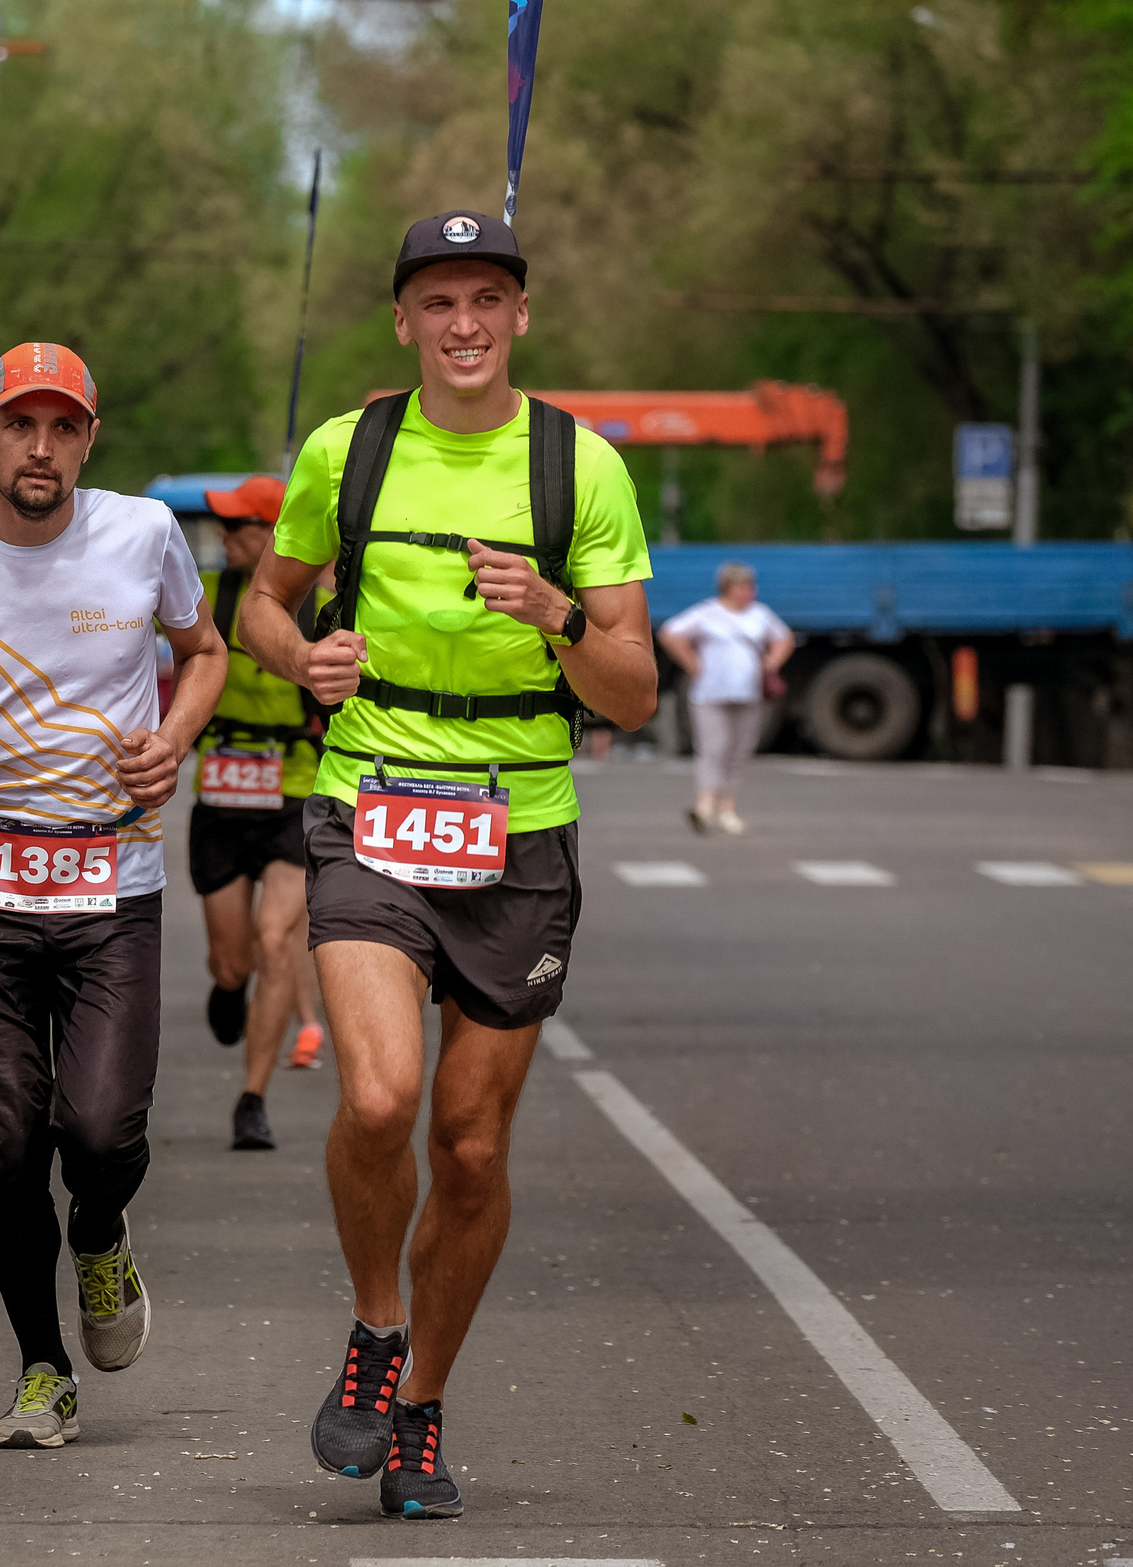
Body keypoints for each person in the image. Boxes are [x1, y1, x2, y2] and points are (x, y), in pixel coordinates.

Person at [237, 211, 655, 1519]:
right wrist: (298, 657)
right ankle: (374, 1328)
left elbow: (634, 689)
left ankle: (420, 1404)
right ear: (404, 320)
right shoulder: (345, 452)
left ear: (521, 314)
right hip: (371, 800)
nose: (463, 323)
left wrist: (561, 614)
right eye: (438, 301)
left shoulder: (578, 468)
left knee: (469, 1147)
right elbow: (258, 599)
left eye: (486, 297)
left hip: (519, 820)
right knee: (378, 1099)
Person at [0, 342, 228, 1450]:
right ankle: (42, 1368)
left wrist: (172, 740)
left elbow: (205, 650)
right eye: (20, 424)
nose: (42, 447)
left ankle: (100, 1231)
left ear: (90, 437)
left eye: (64, 427)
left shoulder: (143, 534)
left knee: (96, 1126)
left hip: (112, 875)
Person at [192, 476, 332, 1151]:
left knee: (278, 938)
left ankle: (253, 1098)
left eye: (240, 525)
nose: (224, 536)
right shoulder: (205, 598)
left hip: (293, 793)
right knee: (233, 961)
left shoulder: (325, 608)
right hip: (218, 794)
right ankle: (227, 984)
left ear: (275, 533)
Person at [660, 562, 792, 835]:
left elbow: (784, 639)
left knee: (739, 751)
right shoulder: (708, 613)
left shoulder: (759, 615)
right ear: (728, 588)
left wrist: (772, 662)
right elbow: (671, 633)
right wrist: (693, 663)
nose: (748, 592)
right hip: (710, 693)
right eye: (743, 586)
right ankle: (705, 805)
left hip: (748, 693)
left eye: (750, 587)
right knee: (714, 749)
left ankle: (727, 806)